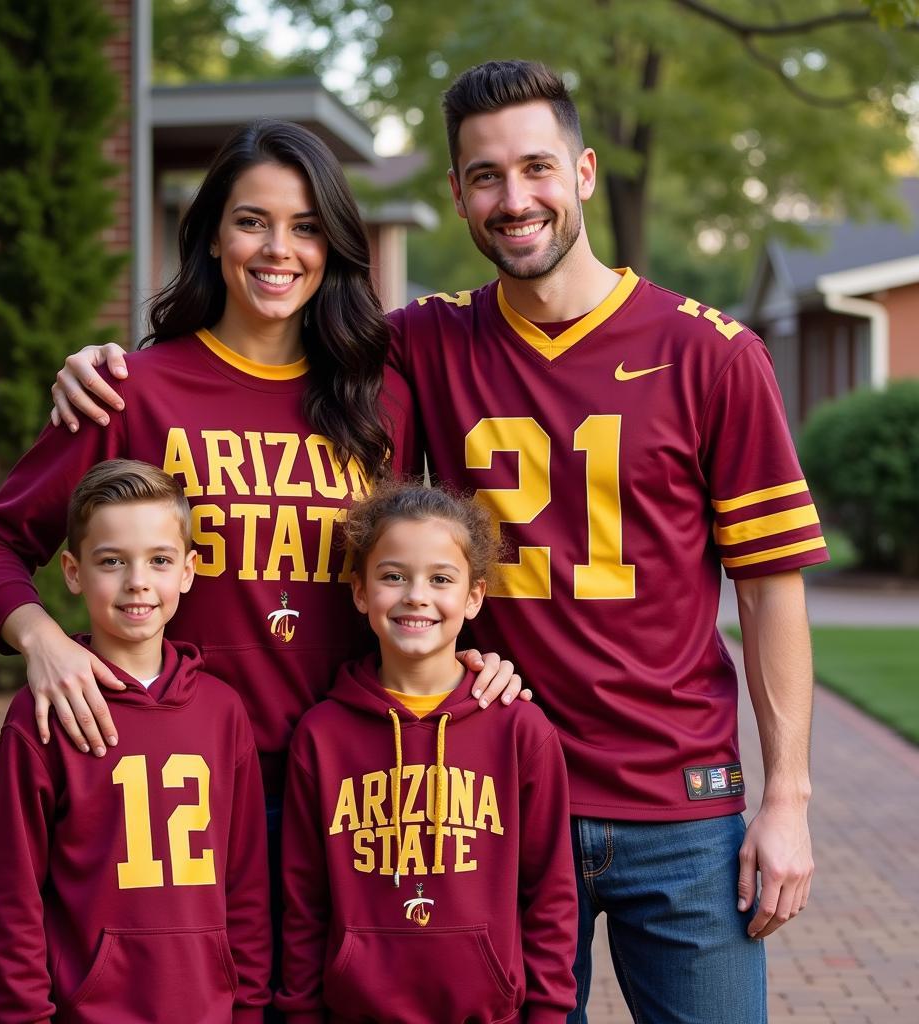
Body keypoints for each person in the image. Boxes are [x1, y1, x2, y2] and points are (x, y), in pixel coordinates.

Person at [43, 60, 827, 1023]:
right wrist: (101, 361)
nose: (515, 198)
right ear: (456, 194)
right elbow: (265, 351)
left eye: (536, 168)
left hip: (678, 797)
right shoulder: (419, 346)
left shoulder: (712, 353)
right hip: (486, 791)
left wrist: (786, 799)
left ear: (582, 172)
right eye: (486, 177)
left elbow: (770, 584)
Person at [0, 118, 520, 1021]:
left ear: (332, 245)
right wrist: (42, 643)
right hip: (188, 780)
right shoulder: (134, 390)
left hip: (355, 782)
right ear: (212, 234)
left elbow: (426, 557)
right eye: (253, 221)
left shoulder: (379, 399)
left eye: (303, 227)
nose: (278, 250)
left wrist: (472, 660)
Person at [275, 481, 576, 1023]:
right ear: (361, 592)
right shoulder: (321, 736)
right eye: (393, 576)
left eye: (441, 579)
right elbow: (305, 905)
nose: (416, 595)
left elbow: (551, 897)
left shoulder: (520, 731)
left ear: (474, 596)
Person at [0, 459, 271, 1023]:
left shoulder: (222, 712)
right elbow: (14, 897)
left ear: (188, 571)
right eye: (112, 562)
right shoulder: (42, 714)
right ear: (72, 571)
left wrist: (248, 1008)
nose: (138, 581)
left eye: (159, 561)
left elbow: (247, 890)